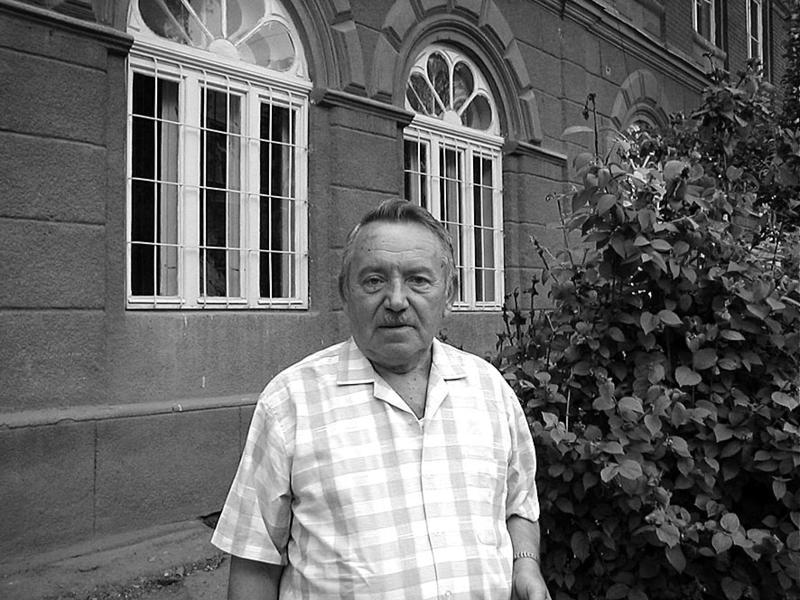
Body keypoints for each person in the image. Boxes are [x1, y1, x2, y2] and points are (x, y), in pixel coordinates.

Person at [211, 198, 549, 600]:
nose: (396, 300)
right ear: (345, 292)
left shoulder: (490, 391)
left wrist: (525, 564)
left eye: (418, 280)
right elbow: (255, 563)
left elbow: (518, 507)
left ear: (449, 294)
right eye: (374, 280)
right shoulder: (290, 404)